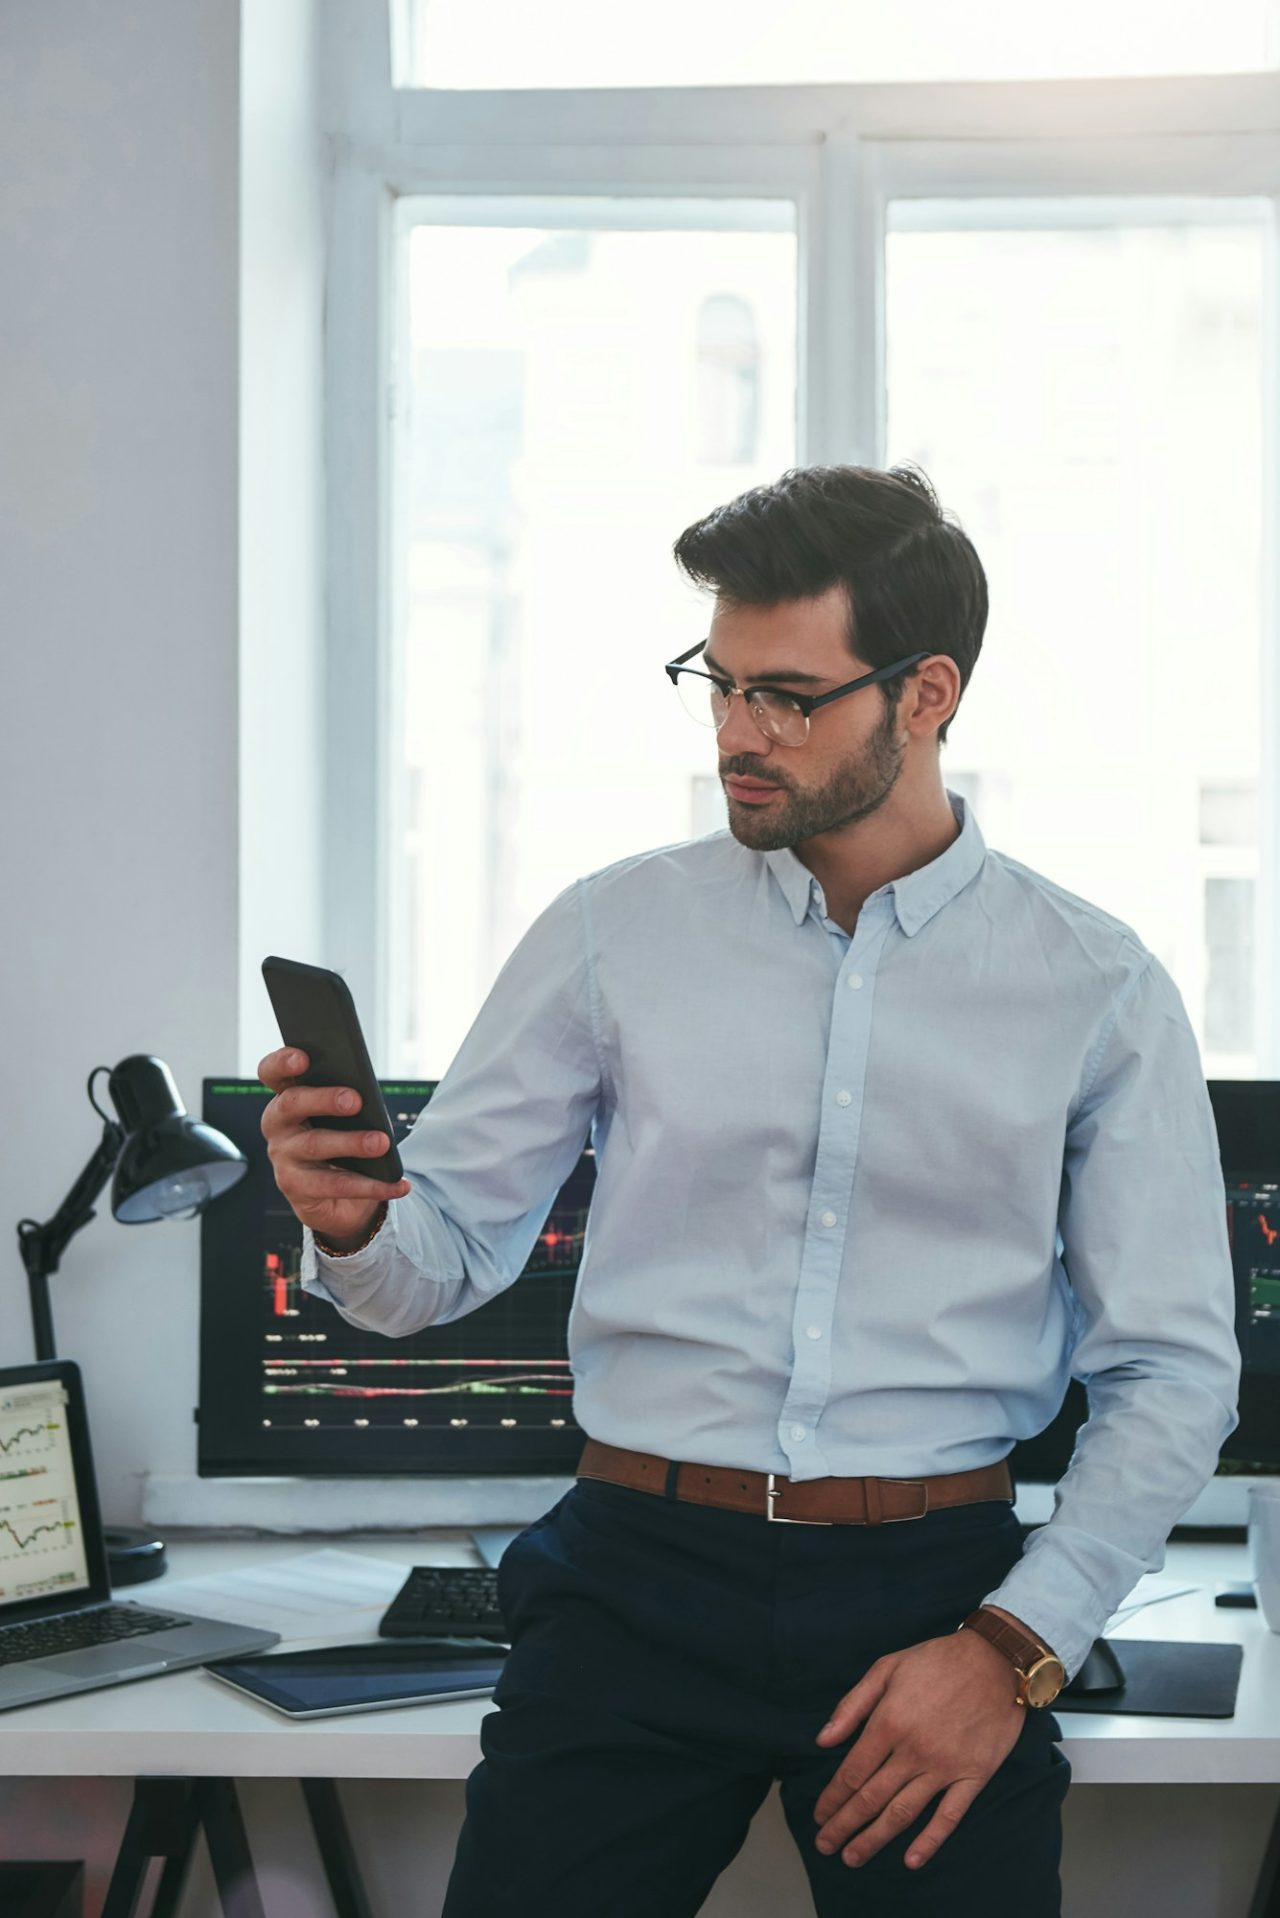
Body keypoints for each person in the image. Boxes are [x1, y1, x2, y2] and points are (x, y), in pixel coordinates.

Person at [259, 463, 1240, 1917]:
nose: (737, 733)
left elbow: (1172, 1370)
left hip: (936, 1589)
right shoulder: (612, 931)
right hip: (635, 1579)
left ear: (926, 695)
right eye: (717, 683)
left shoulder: (1096, 987)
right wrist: (350, 1221)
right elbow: (439, 1260)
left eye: (789, 695)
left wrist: (1012, 1647)